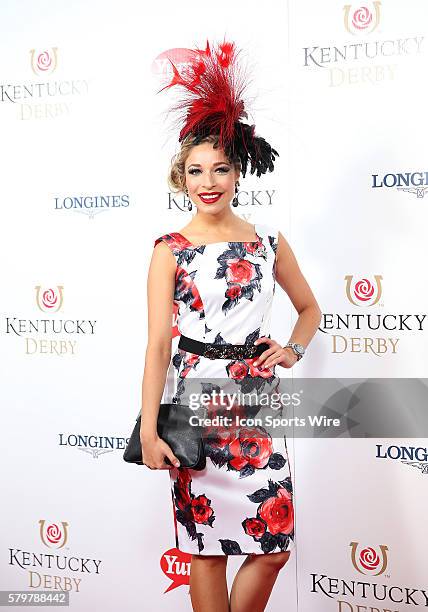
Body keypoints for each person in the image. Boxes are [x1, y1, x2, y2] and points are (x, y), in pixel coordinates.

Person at [140, 40, 322, 612]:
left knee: (272, 546)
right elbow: (156, 346)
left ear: (238, 171)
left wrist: (292, 349)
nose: (208, 181)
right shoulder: (170, 249)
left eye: (220, 167)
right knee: (205, 548)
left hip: (255, 403)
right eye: (195, 171)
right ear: (181, 178)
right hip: (191, 400)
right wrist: (150, 430)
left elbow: (310, 309)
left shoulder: (268, 243)